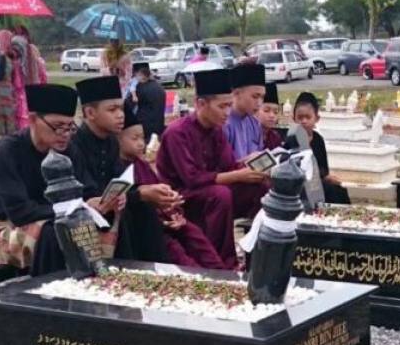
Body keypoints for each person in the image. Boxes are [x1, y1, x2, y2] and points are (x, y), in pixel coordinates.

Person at [0, 85, 121, 275]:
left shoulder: (69, 149)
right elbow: (19, 212)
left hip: (57, 216)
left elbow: (87, 190)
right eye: (58, 126)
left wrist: (102, 202)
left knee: (116, 218)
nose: (65, 134)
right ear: (33, 120)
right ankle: (49, 287)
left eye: (70, 127)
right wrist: (71, 209)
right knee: (55, 231)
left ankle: (116, 279)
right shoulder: (7, 150)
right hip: (10, 224)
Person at [156, 68, 269, 269]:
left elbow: (229, 166)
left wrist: (249, 165)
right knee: (220, 194)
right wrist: (238, 174)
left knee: (260, 187)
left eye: (229, 106)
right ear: (201, 104)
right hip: (180, 197)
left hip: (210, 190)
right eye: (222, 106)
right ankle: (221, 262)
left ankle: (257, 252)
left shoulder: (215, 130)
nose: (227, 113)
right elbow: (192, 179)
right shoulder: (177, 133)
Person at [70, 76, 168, 263]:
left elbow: (120, 181)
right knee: (123, 213)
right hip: (85, 211)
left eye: (121, 108)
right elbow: (88, 192)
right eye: (112, 109)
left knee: (145, 207)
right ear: (90, 113)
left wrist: (142, 191)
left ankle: (153, 268)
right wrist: (137, 194)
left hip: (111, 205)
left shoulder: (111, 142)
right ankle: (125, 270)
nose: (121, 115)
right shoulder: (74, 145)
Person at [118, 106, 223, 269]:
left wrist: (176, 212)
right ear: (118, 139)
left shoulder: (142, 165)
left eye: (143, 138)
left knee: (194, 235)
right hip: (153, 227)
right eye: (135, 138)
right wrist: (164, 220)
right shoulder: (119, 168)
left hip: (170, 219)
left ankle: (220, 271)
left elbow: (163, 190)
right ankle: (198, 277)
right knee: (177, 254)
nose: (141, 144)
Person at [292, 91, 350, 205]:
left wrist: (326, 177)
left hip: (318, 182)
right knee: (329, 190)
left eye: (308, 117)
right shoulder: (291, 139)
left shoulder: (318, 139)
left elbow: (324, 169)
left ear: (317, 118)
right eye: (300, 117)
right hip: (297, 185)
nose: (304, 121)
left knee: (339, 189)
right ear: (294, 118)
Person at [223, 64, 266, 160]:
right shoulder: (224, 123)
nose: (259, 103)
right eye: (255, 96)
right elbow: (222, 165)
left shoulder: (255, 122)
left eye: (262, 97)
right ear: (236, 93)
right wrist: (246, 161)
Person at [130, 62, 166, 143]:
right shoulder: (159, 86)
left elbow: (129, 106)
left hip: (145, 128)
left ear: (140, 75)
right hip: (159, 125)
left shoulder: (139, 88)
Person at [0, 30, 16, 135]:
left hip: (7, 95)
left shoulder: (9, 55)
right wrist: (2, 54)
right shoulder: (2, 55)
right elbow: (0, 75)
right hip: (2, 96)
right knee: (4, 126)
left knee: (9, 125)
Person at [258, 82, 284, 150]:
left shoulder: (275, 137)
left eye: (276, 112)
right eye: (266, 110)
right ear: (255, 111)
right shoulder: (248, 135)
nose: (272, 115)